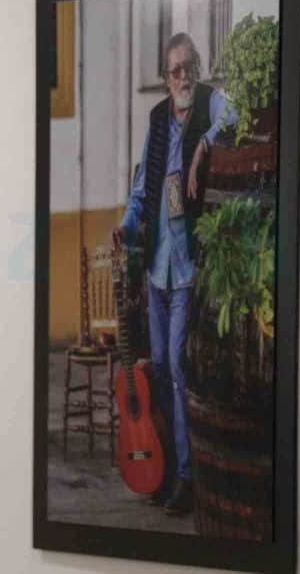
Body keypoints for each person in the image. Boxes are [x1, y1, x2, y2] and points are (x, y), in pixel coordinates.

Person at [112, 32, 237, 516]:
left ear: (198, 69)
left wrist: (205, 144)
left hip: (187, 265)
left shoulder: (211, 103)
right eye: (174, 71)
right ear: (165, 78)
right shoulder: (157, 119)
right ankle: (163, 468)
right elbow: (144, 186)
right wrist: (124, 226)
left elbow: (234, 117)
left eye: (188, 68)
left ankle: (186, 475)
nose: (182, 77)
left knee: (180, 371)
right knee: (159, 370)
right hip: (155, 267)